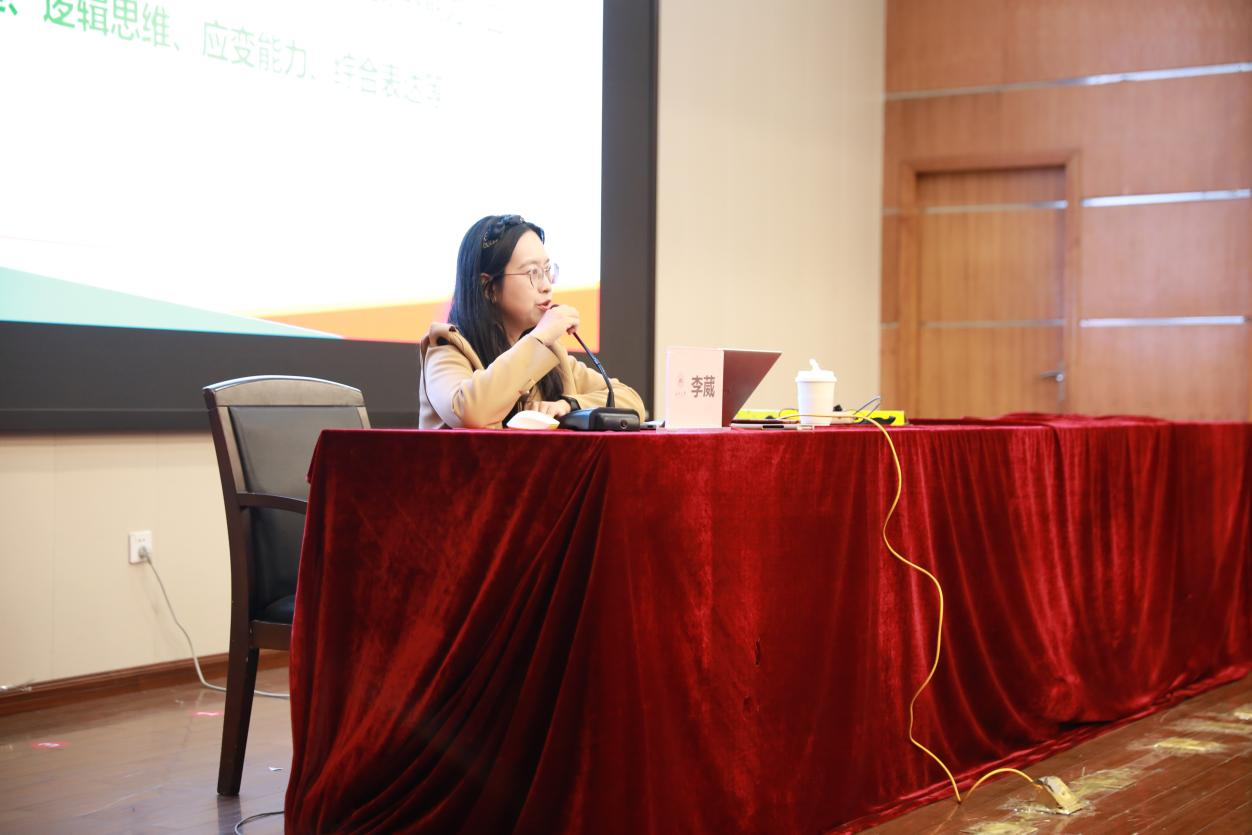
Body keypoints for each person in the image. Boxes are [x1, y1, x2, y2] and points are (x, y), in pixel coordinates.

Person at [419, 214, 646, 429]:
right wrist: (540, 336)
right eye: (533, 273)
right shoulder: (446, 348)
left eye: (547, 270)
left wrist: (571, 405)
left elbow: (631, 402)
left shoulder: (552, 356)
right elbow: (470, 413)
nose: (546, 285)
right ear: (489, 288)